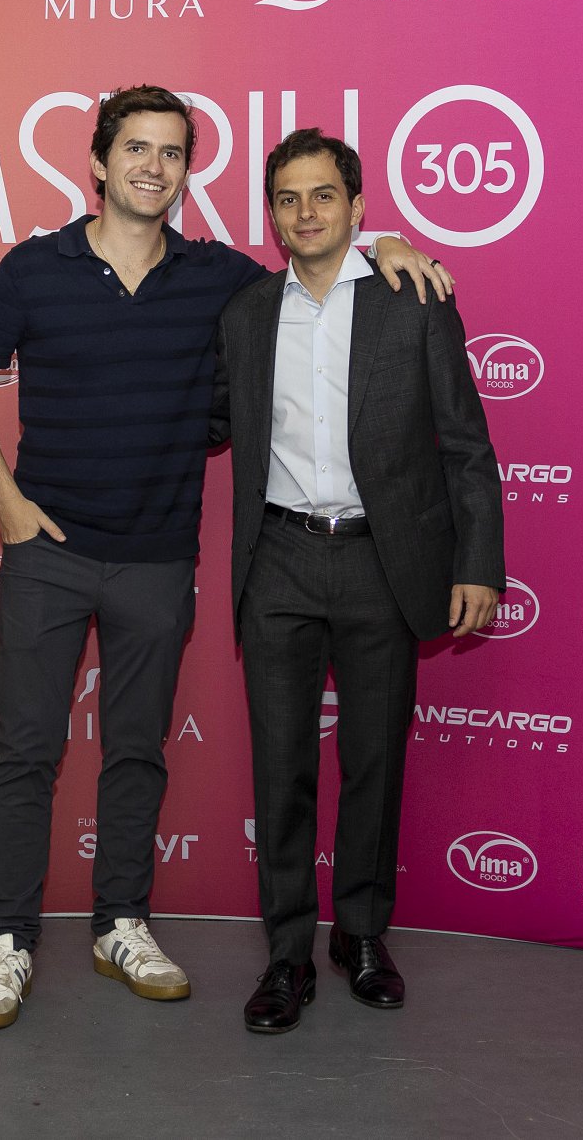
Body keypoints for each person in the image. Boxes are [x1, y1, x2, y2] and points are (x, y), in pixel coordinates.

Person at [0, 88, 447, 1030]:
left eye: (171, 152)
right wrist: (7, 504)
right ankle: (7, 939)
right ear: (98, 163)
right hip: (47, 555)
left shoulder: (219, 278)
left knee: (136, 751)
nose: (153, 166)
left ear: (185, 171)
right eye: (136, 148)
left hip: (158, 559)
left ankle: (120, 922)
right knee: (26, 751)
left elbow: (318, 264)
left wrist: (389, 245)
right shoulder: (34, 267)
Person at [211, 128, 505, 1034]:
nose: (306, 213)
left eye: (324, 195)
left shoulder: (412, 299)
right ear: (273, 217)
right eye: (288, 199)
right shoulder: (245, 313)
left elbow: (466, 444)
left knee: (376, 759)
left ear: (357, 206)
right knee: (282, 767)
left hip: (384, 559)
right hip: (279, 559)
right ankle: (288, 953)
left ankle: (362, 935)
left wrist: (478, 562)